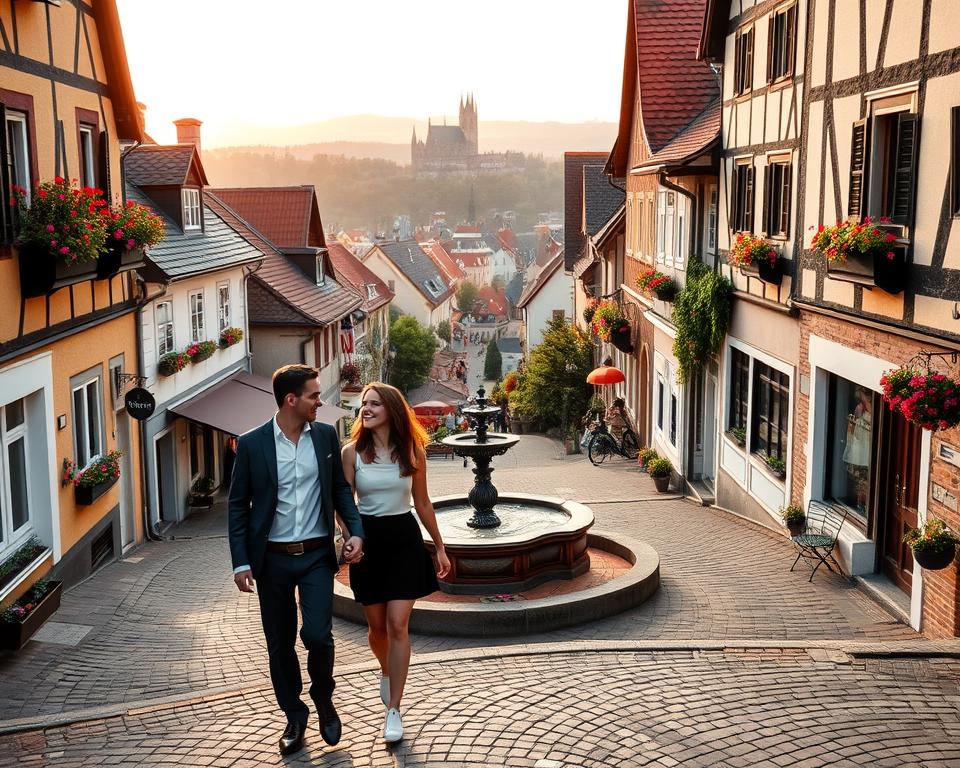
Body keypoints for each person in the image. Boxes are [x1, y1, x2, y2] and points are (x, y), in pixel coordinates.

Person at [228, 365, 365, 756]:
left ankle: (324, 697)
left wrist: (354, 531)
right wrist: (241, 561)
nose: (320, 402)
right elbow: (238, 507)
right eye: (313, 395)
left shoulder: (323, 436)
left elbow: (340, 490)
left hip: (316, 557)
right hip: (271, 562)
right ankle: (294, 714)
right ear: (292, 400)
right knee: (280, 644)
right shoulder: (252, 444)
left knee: (318, 636)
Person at [341, 382, 451, 744]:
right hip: (369, 542)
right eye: (363, 405)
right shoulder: (352, 452)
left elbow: (423, 503)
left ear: (391, 408)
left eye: (373, 404)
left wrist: (439, 546)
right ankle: (386, 670)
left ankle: (394, 710)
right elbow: (344, 503)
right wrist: (348, 536)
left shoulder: (412, 450)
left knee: (398, 624)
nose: (365, 409)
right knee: (377, 629)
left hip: (404, 540)